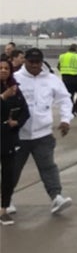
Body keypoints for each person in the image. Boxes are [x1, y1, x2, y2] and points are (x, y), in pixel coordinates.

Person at [11, 48, 73, 215]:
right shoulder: (15, 79)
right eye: (31, 62)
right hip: (18, 134)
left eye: (37, 62)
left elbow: (65, 99)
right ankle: (6, 199)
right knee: (13, 168)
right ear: (25, 61)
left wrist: (66, 119)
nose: (34, 65)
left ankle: (56, 197)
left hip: (42, 133)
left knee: (48, 167)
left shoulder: (52, 79)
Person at [1, 58, 30, 224]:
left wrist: (17, 122)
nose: (4, 71)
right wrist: (3, 97)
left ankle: (3, 208)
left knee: (8, 174)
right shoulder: (7, 92)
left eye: (7, 68)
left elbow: (25, 111)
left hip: (9, 137)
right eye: (1, 68)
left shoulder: (14, 89)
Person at [58, 42, 77, 115]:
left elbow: (59, 67)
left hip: (65, 78)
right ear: (76, 49)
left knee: (70, 94)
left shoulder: (62, 56)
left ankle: (71, 109)